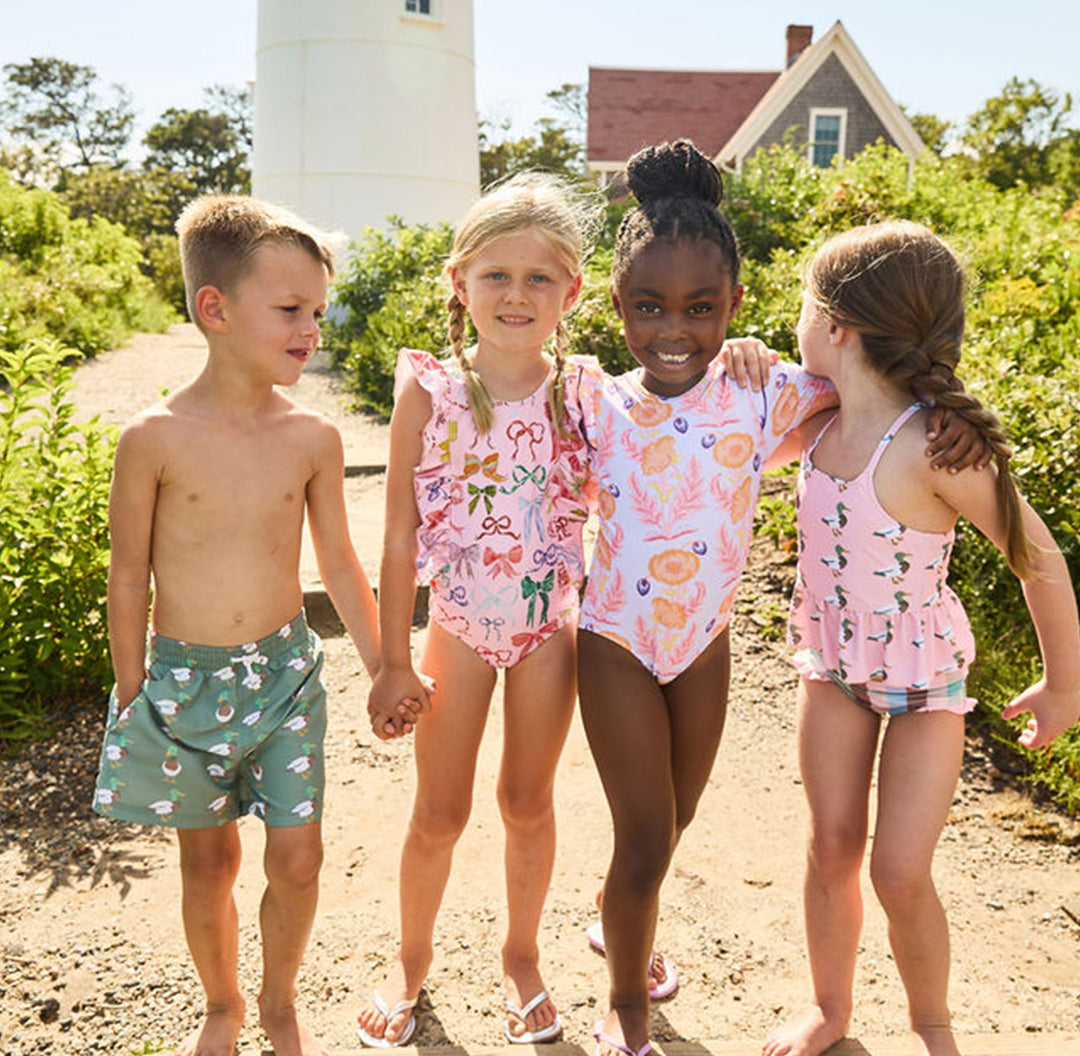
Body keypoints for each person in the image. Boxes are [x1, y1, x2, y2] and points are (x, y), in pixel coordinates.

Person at [573, 143, 982, 1056]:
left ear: (735, 309)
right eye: (648, 307)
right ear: (616, 305)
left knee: (673, 819)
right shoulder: (594, 403)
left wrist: (945, 411)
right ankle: (627, 1006)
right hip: (613, 642)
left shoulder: (767, 399)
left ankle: (617, 906)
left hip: (705, 645)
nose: (673, 328)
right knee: (644, 837)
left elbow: (873, 385)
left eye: (701, 308)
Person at [761, 221, 1080, 1056]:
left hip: (924, 683)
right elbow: (724, 442)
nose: (794, 325)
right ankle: (830, 1011)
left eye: (802, 306)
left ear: (836, 327)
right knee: (831, 847)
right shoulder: (813, 416)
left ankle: (932, 1028)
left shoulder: (939, 447)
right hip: (832, 668)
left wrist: (1065, 684)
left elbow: (1036, 559)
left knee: (899, 872)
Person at [93, 194, 386, 1056]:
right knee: (209, 863)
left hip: (285, 679)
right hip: (180, 680)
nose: (312, 331)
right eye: (291, 310)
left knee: (297, 860)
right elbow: (126, 571)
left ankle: (279, 1000)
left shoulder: (313, 437)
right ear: (213, 308)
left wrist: (384, 669)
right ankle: (221, 1006)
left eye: (319, 314)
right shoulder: (152, 438)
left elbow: (338, 565)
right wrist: (132, 687)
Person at [355, 173, 601, 1047]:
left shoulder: (587, 392)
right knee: (439, 812)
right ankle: (411, 960)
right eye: (496, 275)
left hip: (547, 633)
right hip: (456, 624)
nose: (517, 295)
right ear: (459, 281)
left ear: (571, 291)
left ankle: (522, 955)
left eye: (540, 278)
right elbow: (396, 533)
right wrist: (390, 658)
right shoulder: (430, 389)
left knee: (527, 801)